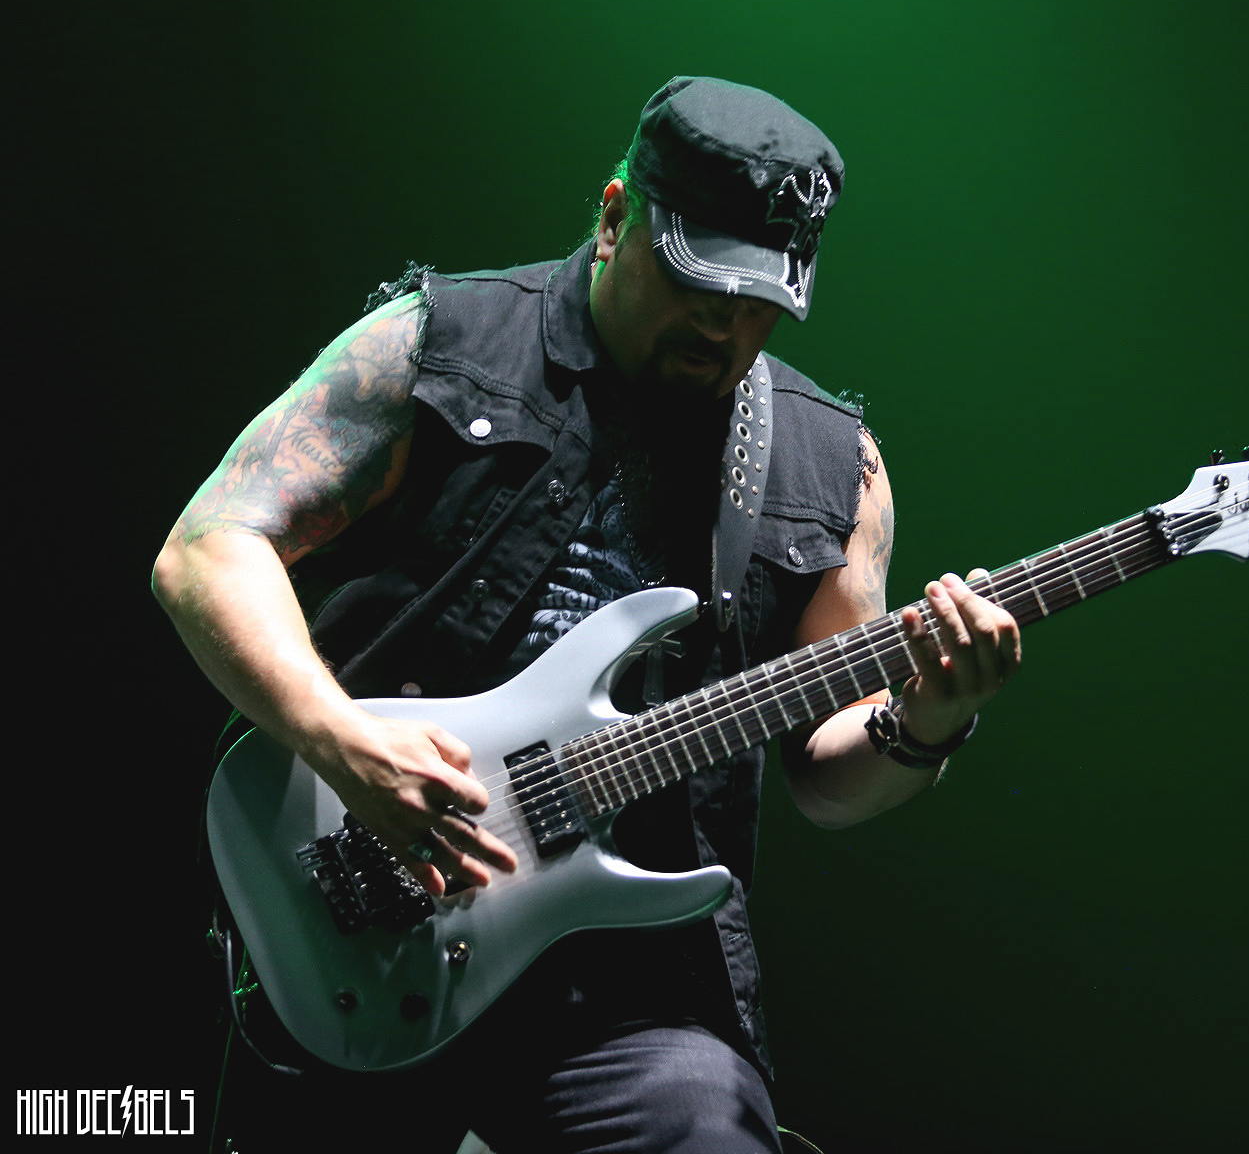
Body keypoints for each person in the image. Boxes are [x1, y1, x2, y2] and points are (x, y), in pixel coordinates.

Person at [152, 76, 1021, 1153]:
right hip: (375, 910)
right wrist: (340, 739)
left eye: (759, 300)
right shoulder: (438, 344)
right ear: (615, 216)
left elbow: (826, 777)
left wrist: (927, 722)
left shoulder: (833, 468)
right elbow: (208, 549)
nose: (725, 323)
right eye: (699, 278)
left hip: (635, 989)